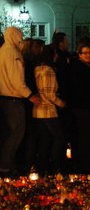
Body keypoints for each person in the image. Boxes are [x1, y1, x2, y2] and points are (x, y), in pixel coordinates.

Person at [0, 27, 42, 176]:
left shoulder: (3, 50)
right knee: (16, 134)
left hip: (4, 99)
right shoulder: (13, 53)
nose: (22, 38)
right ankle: (5, 166)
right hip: (13, 99)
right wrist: (30, 95)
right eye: (20, 35)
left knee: (8, 134)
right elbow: (17, 80)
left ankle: (8, 165)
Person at [65, 41, 90, 173]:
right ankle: (83, 164)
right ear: (79, 54)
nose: (87, 55)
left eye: (89, 53)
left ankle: (89, 163)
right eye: (84, 53)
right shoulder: (76, 68)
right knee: (84, 136)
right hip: (81, 106)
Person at [30, 45, 66, 174]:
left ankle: (42, 167)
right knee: (58, 138)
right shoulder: (49, 70)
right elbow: (50, 94)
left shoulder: (37, 69)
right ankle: (55, 166)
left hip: (37, 110)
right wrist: (62, 104)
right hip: (48, 110)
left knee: (44, 139)